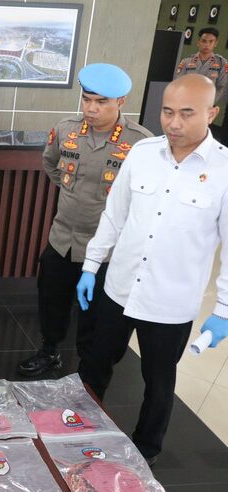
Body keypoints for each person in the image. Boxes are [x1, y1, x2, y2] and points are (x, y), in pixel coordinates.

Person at [75, 74, 228, 466]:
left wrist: (224, 310)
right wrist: (91, 266)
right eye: (167, 111)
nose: (173, 123)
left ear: (211, 113)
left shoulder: (224, 170)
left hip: (170, 302)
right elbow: (114, 215)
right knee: (95, 364)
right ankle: (78, 430)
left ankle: (146, 449)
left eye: (186, 114)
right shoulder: (142, 153)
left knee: (158, 382)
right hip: (119, 287)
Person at [18, 64, 153, 377]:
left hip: (106, 250)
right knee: (52, 300)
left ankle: (87, 371)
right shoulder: (66, 130)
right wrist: (74, 192)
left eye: (101, 102)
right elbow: (51, 164)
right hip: (62, 239)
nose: (91, 108)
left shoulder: (140, 143)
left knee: (94, 313)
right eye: (87, 99)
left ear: (121, 102)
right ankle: (49, 350)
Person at [174, 27, 227, 103]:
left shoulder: (221, 63)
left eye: (211, 41)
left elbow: (221, 87)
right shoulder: (186, 62)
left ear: (215, 43)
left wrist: (209, 102)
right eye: (204, 41)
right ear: (198, 42)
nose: (207, 44)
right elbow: (178, 83)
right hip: (186, 102)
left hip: (207, 104)